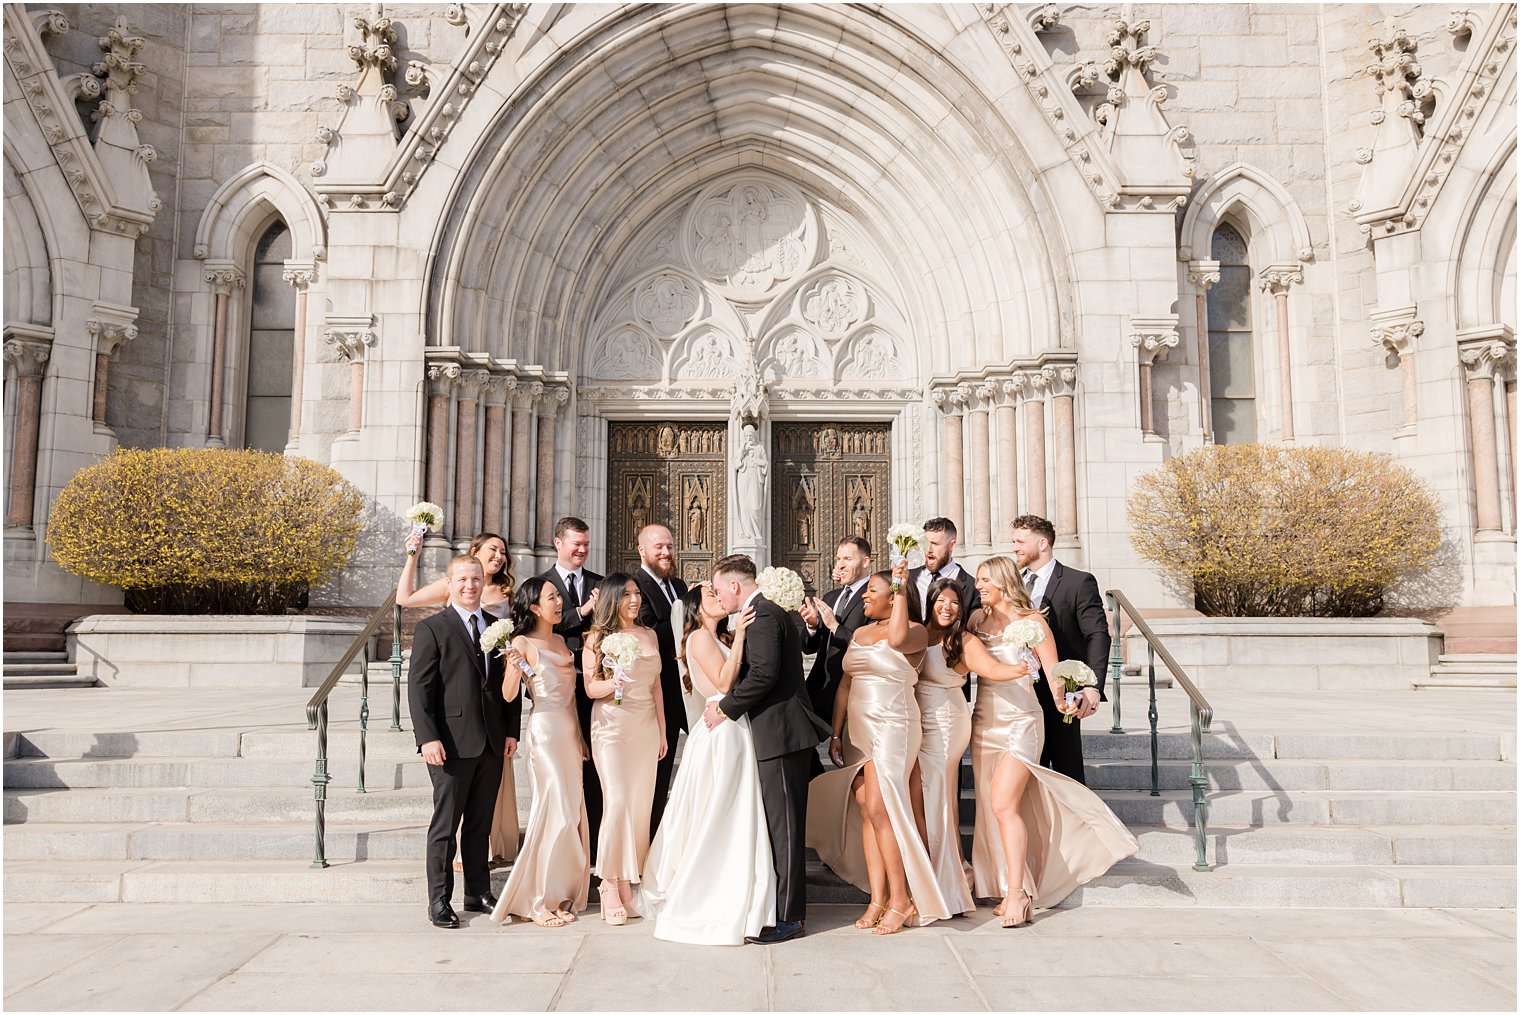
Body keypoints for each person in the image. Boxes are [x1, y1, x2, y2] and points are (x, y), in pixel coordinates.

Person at [968, 556, 1136, 927]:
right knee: (990, 807)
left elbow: (1053, 673)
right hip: (984, 722)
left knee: (1003, 803)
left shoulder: (1033, 623)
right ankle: (1005, 883)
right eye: (978, 580)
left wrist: (1066, 701)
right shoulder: (976, 622)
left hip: (1021, 722)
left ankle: (1018, 894)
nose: (978, 586)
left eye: (984, 580)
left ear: (1003, 582)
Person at [806, 570, 951, 934]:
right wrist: (837, 734)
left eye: (873, 591)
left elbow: (899, 636)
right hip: (858, 730)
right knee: (867, 814)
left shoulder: (914, 632)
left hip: (893, 726)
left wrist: (902, 581)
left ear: (895, 597)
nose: (864, 597)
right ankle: (878, 897)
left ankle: (902, 900)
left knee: (880, 808)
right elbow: (846, 684)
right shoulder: (859, 633)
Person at [631, 583, 776, 945]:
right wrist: (741, 636)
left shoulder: (718, 635)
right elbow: (724, 681)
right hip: (721, 732)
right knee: (718, 809)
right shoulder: (698, 638)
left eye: (717, 590)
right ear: (697, 607)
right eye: (710, 594)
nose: (718, 596)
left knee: (732, 809)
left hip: (732, 726)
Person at [703, 554, 827, 945]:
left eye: (721, 589)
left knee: (786, 827)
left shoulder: (764, 616)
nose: (719, 597)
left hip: (781, 732)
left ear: (736, 586)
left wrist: (725, 708)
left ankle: (790, 918)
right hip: (776, 731)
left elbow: (764, 674)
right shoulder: (767, 612)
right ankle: (779, 908)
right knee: (780, 825)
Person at [408, 554, 521, 929]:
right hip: (450, 745)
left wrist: (511, 730)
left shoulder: (497, 627)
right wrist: (427, 739)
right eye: (462, 579)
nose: (470, 585)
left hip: (490, 742)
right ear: (449, 582)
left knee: (480, 823)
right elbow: (419, 690)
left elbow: (508, 685)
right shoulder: (433, 629)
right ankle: (439, 900)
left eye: (475, 578)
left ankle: (477, 891)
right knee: (446, 826)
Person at [917, 576, 1036, 918]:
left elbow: (991, 669)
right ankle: (945, 872)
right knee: (926, 796)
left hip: (946, 722)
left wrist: (1020, 667)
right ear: (930, 601)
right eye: (941, 600)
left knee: (938, 792)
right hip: (916, 722)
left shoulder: (964, 639)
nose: (947, 607)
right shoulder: (919, 632)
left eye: (954, 602)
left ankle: (948, 881)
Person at [490, 577, 590, 928]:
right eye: (551, 598)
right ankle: (535, 901)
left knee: (572, 815)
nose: (559, 603)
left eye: (559, 597)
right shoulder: (520, 642)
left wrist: (581, 738)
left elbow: (573, 696)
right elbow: (506, 695)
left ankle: (558, 894)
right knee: (554, 813)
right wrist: (514, 669)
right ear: (534, 607)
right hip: (544, 733)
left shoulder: (562, 640)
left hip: (569, 732)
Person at [582, 573, 665, 925]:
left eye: (637, 593)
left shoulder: (650, 634)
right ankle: (607, 883)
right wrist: (612, 682)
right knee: (616, 801)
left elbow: (658, 685)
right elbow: (589, 689)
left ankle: (629, 880)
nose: (634, 600)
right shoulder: (596, 639)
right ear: (612, 599)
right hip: (611, 727)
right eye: (627, 594)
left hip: (645, 726)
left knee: (638, 805)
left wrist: (661, 731)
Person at [1010, 514, 1111, 784]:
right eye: (1014, 541)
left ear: (1043, 543)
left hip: (1061, 694)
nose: (1015, 547)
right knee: (1027, 771)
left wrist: (1092, 686)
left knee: (1068, 772)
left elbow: (1098, 635)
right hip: (1017, 694)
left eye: (1020, 541)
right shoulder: (1012, 585)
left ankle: (1078, 824)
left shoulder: (1078, 582)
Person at [538, 517, 605, 858]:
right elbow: (537, 628)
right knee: (564, 765)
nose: (582, 550)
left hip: (596, 685)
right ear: (558, 542)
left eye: (585, 544)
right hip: (557, 690)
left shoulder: (599, 582)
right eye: (576, 543)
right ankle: (563, 845)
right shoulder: (541, 584)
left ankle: (592, 843)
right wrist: (582, 612)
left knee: (594, 763)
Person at [631, 524, 689, 833]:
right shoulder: (634, 587)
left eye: (669, 545)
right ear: (642, 550)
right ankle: (649, 837)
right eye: (659, 548)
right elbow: (651, 633)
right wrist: (688, 611)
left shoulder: (678, 585)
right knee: (658, 769)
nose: (666, 552)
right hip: (656, 694)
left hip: (687, 690)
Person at [799, 536, 872, 728]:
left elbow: (870, 647)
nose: (840, 565)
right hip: (819, 688)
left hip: (853, 690)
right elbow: (809, 648)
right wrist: (812, 626)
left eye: (847, 559)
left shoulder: (873, 598)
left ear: (865, 562)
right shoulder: (831, 597)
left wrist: (835, 627)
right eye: (839, 559)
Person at [907, 517, 980, 621]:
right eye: (925, 543)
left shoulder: (971, 586)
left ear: (952, 545)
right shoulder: (908, 577)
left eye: (935, 544)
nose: (929, 550)